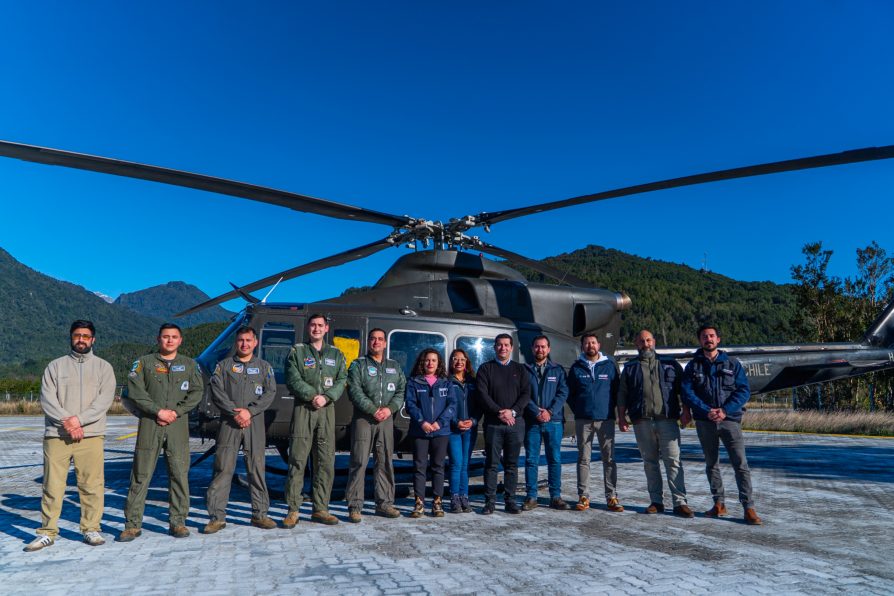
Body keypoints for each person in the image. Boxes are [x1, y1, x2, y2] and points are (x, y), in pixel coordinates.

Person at [25, 320, 116, 552]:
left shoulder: (104, 368)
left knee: (92, 485)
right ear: (71, 337)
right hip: (57, 436)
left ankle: (91, 528)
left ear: (93, 339)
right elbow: (47, 399)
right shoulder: (55, 367)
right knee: (52, 486)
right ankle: (47, 532)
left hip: (91, 435)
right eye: (77, 335)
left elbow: (104, 401)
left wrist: (79, 420)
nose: (81, 339)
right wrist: (68, 421)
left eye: (86, 336)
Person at [118, 323, 204, 541]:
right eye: (166, 337)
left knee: (179, 473)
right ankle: (132, 524)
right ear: (158, 339)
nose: (170, 340)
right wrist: (158, 411)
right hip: (151, 422)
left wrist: (176, 411)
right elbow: (135, 391)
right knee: (141, 474)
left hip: (177, 424)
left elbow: (196, 392)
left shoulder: (190, 365)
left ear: (180, 340)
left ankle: (178, 522)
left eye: (174, 337)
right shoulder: (144, 363)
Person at [681, 324, 762, 525]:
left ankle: (748, 507)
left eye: (711, 336)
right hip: (704, 421)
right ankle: (719, 503)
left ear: (718, 339)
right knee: (711, 464)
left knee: (740, 465)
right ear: (699, 340)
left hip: (730, 421)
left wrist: (725, 410)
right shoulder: (693, 366)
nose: (708, 339)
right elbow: (687, 392)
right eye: (704, 336)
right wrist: (706, 410)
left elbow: (743, 390)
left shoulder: (732, 364)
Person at [203, 326, 278, 534]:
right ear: (236, 343)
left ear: (255, 343)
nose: (244, 344)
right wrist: (234, 412)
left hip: (254, 423)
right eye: (241, 340)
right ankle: (217, 517)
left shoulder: (264, 367)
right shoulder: (224, 366)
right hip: (230, 422)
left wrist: (249, 412)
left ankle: (260, 514)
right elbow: (217, 391)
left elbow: (270, 393)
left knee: (256, 468)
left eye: (248, 340)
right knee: (223, 468)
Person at [617, 330, 693, 518]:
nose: (646, 344)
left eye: (648, 340)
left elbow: (683, 390)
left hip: (666, 420)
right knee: (650, 462)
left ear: (654, 342)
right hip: (641, 421)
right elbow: (622, 395)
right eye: (642, 341)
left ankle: (680, 502)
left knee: (673, 461)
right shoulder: (630, 367)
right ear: (636, 344)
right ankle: (656, 501)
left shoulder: (670, 364)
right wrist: (621, 417)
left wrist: (686, 411)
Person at [282, 314, 347, 527]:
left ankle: (321, 508)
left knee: (325, 461)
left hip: (327, 411)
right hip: (304, 409)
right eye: (313, 325)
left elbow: (342, 379)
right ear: (308, 328)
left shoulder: (336, 354)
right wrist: (312, 395)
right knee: (298, 460)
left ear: (326, 328)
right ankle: (293, 509)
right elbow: (292, 378)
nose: (316, 328)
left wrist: (327, 397)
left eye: (320, 325)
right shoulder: (297, 352)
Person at [345, 328, 406, 523]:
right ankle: (355, 506)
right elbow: (354, 390)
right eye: (373, 339)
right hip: (364, 418)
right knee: (359, 461)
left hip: (386, 418)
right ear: (368, 342)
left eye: (380, 339)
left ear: (385, 343)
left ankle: (385, 503)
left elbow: (400, 390)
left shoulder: (394, 367)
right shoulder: (358, 365)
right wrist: (372, 409)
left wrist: (390, 409)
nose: (376, 342)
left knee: (385, 460)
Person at [476, 334, 531, 514]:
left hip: (515, 424)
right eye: (499, 345)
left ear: (511, 348)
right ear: (494, 347)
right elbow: (482, 395)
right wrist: (500, 412)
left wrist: (512, 412)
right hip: (493, 424)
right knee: (491, 464)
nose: (503, 348)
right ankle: (490, 502)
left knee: (511, 464)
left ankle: (510, 501)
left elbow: (525, 394)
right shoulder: (485, 369)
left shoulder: (520, 369)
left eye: (506, 345)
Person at [567, 333, 623, 512]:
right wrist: (580, 409)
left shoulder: (609, 366)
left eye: (593, 342)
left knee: (609, 459)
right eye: (586, 343)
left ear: (598, 344)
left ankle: (612, 496)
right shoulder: (576, 367)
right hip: (584, 420)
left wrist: (612, 412)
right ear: (582, 346)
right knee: (584, 459)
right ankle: (583, 496)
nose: (590, 345)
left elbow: (617, 392)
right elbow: (570, 393)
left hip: (605, 419)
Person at [404, 348, 457, 518]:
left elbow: (452, 405)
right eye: (427, 360)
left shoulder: (446, 382)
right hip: (420, 431)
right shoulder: (414, 382)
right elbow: (410, 404)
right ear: (422, 362)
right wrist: (422, 422)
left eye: (434, 360)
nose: (430, 363)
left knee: (438, 467)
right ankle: (419, 502)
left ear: (438, 363)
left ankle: (437, 501)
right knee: (419, 467)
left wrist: (439, 423)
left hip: (441, 432)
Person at [522, 335, 570, 511]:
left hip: (554, 421)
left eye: (543, 347)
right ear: (532, 349)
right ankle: (531, 496)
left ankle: (555, 496)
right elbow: (523, 394)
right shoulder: (525, 370)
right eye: (537, 346)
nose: (540, 350)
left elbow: (563, 392)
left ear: (548, 349)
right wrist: (536, 411)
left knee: (555, 459)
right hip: (532, 422)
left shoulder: (558, 370)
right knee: (531, 460)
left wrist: (549, 412)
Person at [446, 348, 478, 513]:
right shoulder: (446, 382)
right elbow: (443, 407)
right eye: (455, 359)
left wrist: (472, 421)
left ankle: (464, 496)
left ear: (467, 363)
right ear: (451, 362)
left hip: (470, 429)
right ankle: (454, 497)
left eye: (462, 359)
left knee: (465, 464)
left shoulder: (473, 382)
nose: (459, 362)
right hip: (453, 429)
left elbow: (479, 407)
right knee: (456, 463)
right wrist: (455, 422)